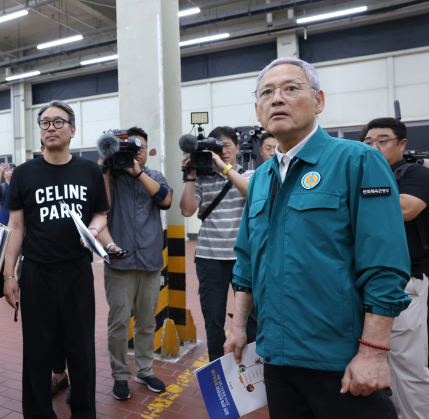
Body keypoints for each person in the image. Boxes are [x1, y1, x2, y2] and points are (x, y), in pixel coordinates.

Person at [225, 57, 410, 419]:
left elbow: (383, 265)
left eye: (291, 88)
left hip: (339, 361)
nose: (277, 99)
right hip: (275, 358)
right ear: (258, 110)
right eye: (266, 93)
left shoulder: (357, 161)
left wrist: (373, 352)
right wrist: (237, 328)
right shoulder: (261, 178)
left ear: (319, 101)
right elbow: (246, 261)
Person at [2, 100, 109, 419]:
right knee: (36, 352)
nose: (51, 127)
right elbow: (16, 226)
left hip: (77, 272)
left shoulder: (89, 169)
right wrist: (10, 275)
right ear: (39, 132)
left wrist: (92, 229)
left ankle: (84, 412)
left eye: (58, 122)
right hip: (37, 274)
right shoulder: (23, 173)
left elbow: (101, 214)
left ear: (73, 130)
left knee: (81, 351)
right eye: (45, 122)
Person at [95, 126, 172, 400]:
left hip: (150, 262)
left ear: (147, 151)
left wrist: (137, 172)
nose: (136, 154)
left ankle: (145, 369)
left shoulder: (153, 176)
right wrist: (105, 166)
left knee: (146, 322)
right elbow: (100, 205)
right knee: (118, 323)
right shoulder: (110, 179)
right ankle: (120, 375)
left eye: (140, 149)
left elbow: (165, 200)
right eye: (130, 149)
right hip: (120, 264)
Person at [363, 117, 429, 419]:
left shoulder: (414, 173)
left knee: (408, 366)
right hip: (366, 281)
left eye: (383, 140)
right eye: (368, 141)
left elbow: (406, 209)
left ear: (402, 144)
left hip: (406, 284)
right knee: (375, 364)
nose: (374, 147)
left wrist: (357, 198)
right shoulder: (361, 174)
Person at [179, 126, 257, 362]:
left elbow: (252, 194)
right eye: (216, 147)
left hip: (243, 259)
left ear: (237, 148)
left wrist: (225, 169)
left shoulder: (250, 175)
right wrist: (191, 174)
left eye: (226, 146)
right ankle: (218, 369)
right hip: (209, 258)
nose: (221, 152)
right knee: (213, 318)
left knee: (250, 318)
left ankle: (251, 367)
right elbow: (187, 210)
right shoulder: (203, 179)